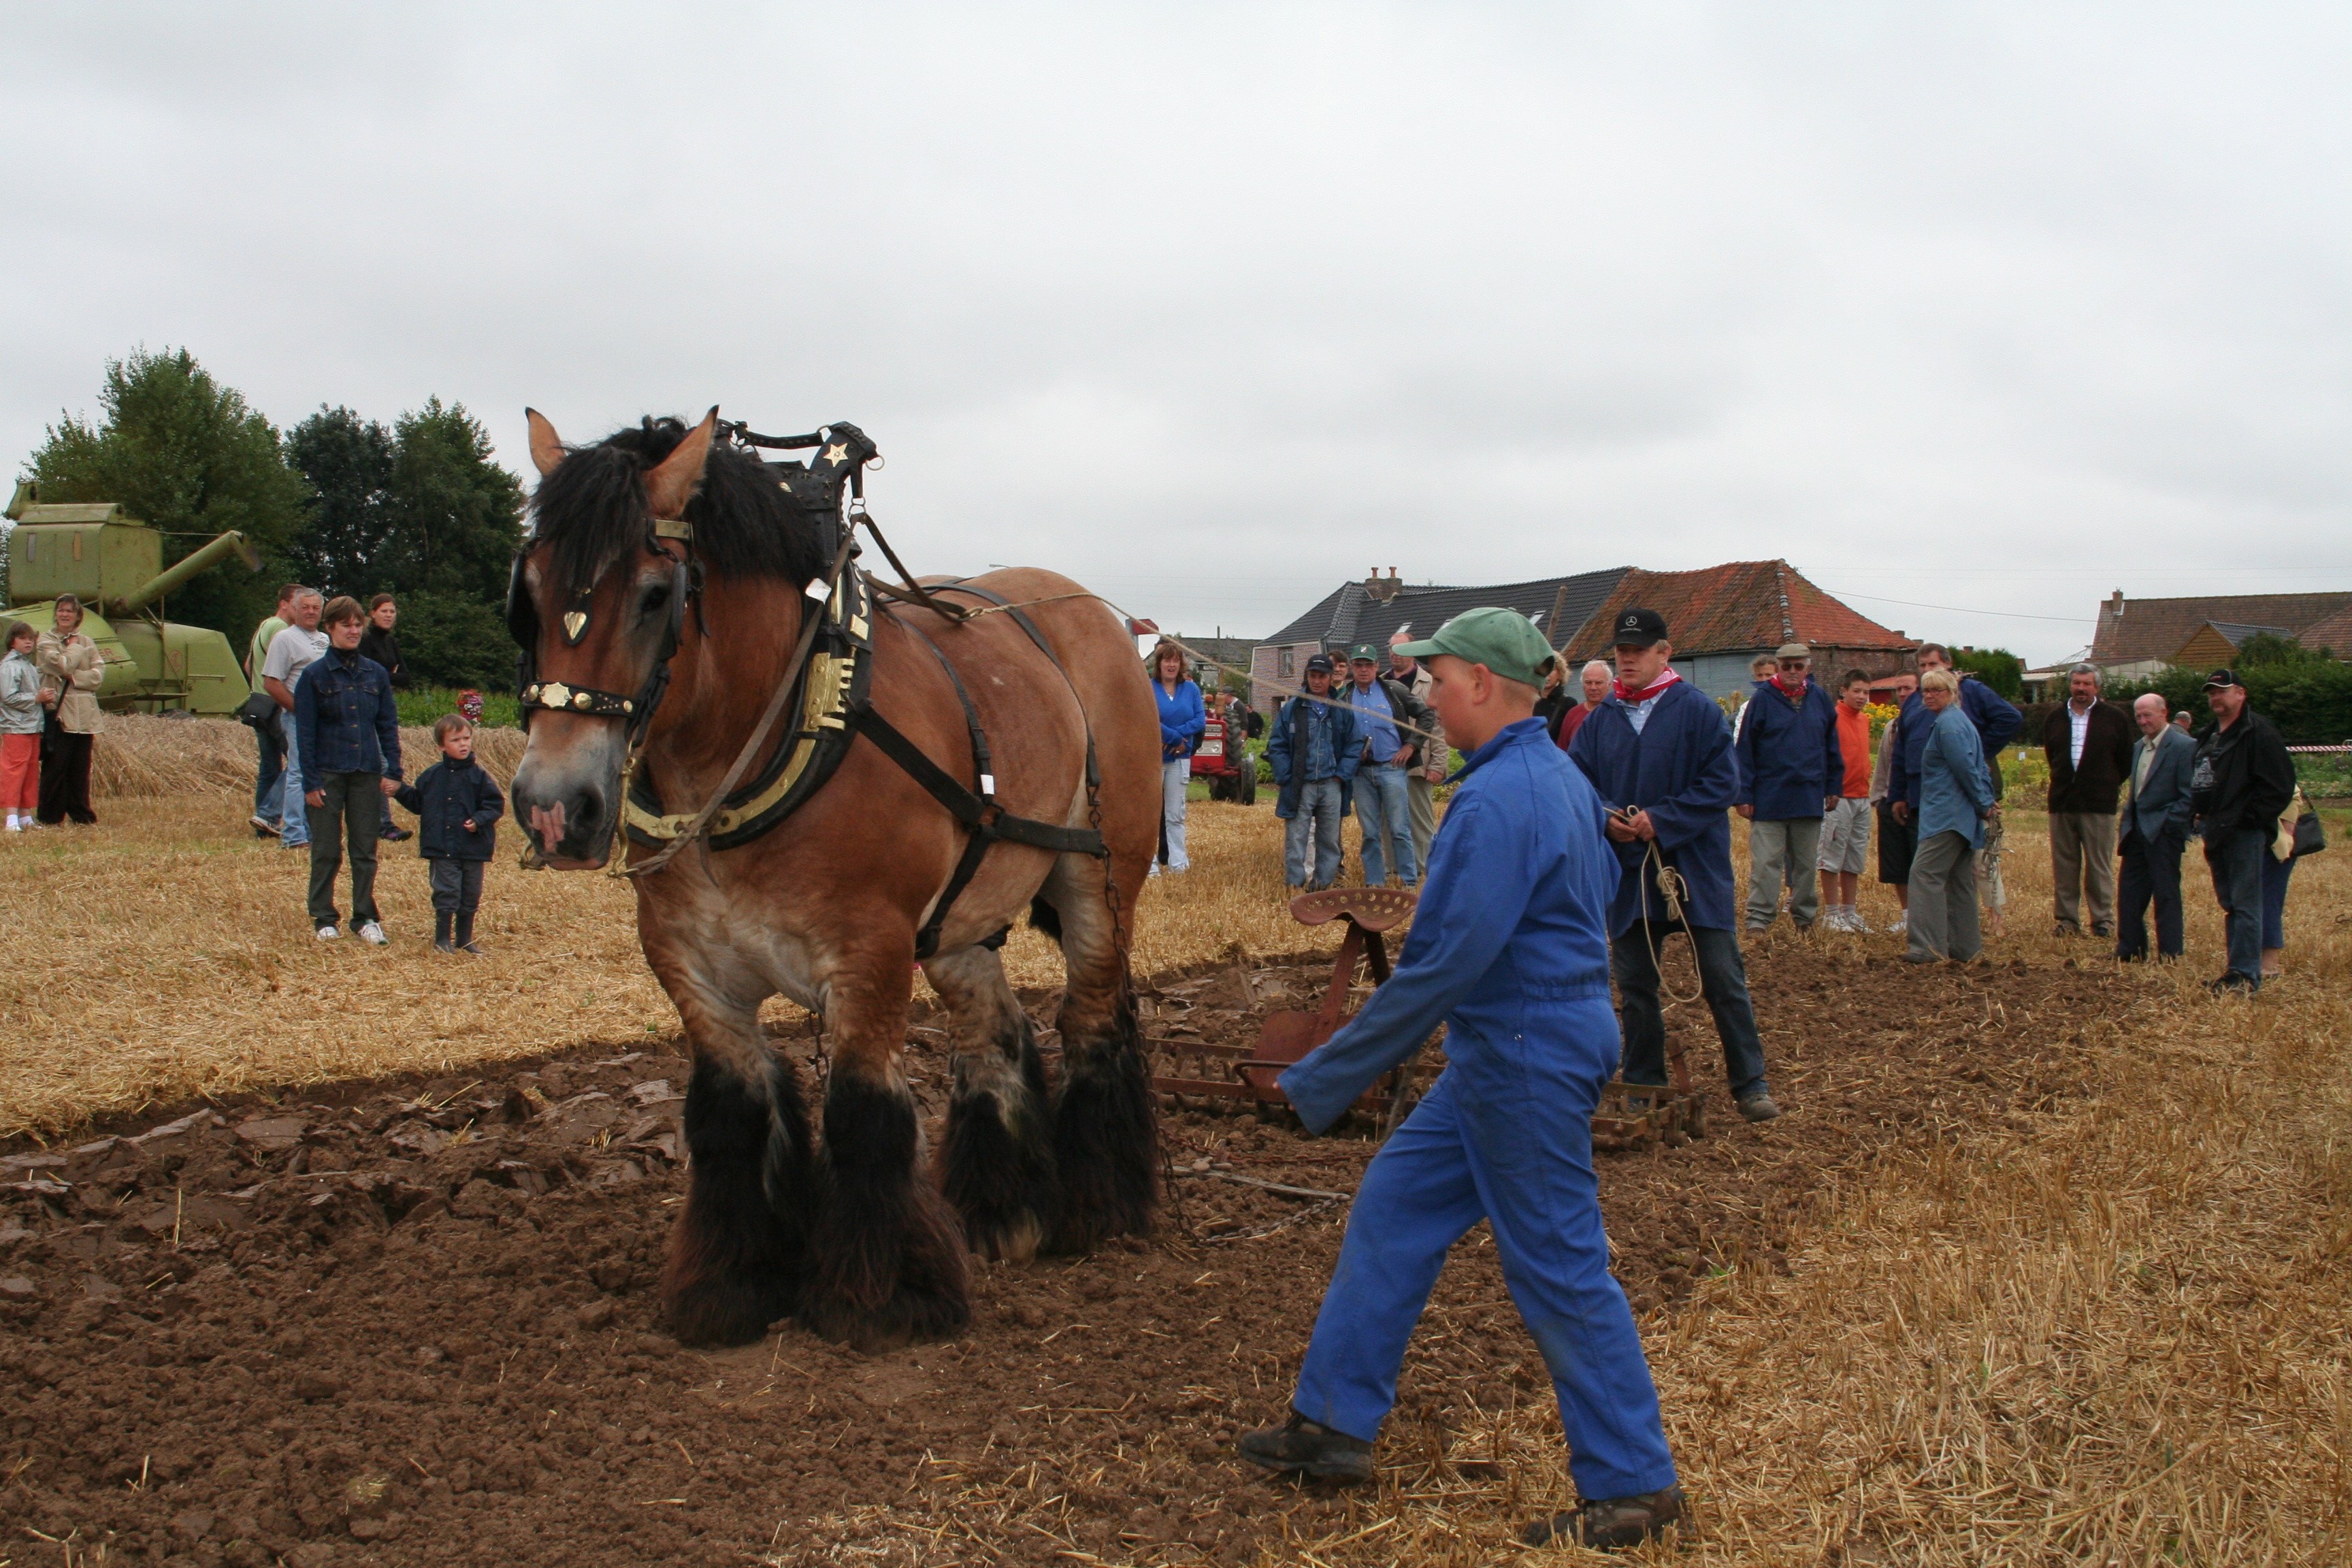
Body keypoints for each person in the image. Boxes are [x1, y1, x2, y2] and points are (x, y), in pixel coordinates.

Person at [1239, 607, 1684, 1552]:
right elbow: (1600, 896)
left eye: (1437, 681)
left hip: (1521, 1052)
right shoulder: (1556, 776)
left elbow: (1444, 965)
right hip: (1519, 1041)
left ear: (1482, 682)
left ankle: (1635, 1482)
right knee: (1394, 1209)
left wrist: (1325, 1076)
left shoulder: (1498, 799)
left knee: (1559, 1266)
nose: (1429, 699)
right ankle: (1332, 1427)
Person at [1568, 608, 1780, 1124]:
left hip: (1694, 867)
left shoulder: (1699, 711)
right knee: (1637, 984)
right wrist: (1604, 818)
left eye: (1638, 651)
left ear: (1664, 652)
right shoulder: (1600, 722)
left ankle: (1750, 1085)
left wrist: (1662, 819)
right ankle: (1644, 1083)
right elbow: (1576, 785)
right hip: (1629, 872)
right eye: (1622, 651)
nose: (1628, 659)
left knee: (1723, 979)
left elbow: (1722, 783)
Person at [294, 595, 403, 943]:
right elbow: (305, 734)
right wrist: (310, 782)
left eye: (358, 625)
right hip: (327, 773)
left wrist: (394, 769)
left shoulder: (376, 674)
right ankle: (324, 917)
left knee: (365, 850)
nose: (354, 630)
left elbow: (388, 725)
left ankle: (365, 917)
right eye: (347, 625)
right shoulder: (313, 677)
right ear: (330, 629)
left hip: (366, 772)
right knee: (326, 849)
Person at [2190, 668, 2295, 993]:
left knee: (2247, 903)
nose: (2216, 697)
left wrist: (2248, 819)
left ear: (2241, 694)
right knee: (2231, 902)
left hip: (2243, 831)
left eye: (2223, 690)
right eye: (2211, 692)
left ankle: (2247, 975)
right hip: (2216, 828)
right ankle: (2236, 969)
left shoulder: (2258, 733)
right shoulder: (2211, 734)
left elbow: (2280, 787)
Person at [1886, 644, 2022, 880]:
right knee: (1929, 864)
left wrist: (1979, 752)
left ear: (1948, 665)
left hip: (1960, 793)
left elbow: (2010, 718)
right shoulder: (1914, 701)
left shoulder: (1970, 692)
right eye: (1923, 666)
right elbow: (1901, 750)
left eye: (1933, 664)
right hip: (1922, 792)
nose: (1928, 670)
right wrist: (1898, 793)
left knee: (1965, 868)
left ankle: (1987, 913)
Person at [1734, 642, 1842, 933]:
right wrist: (1744, 794)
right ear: (1778, 669)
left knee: (1807, 866)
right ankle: (1759, 920)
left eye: (1798, 666)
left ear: (1807, 668)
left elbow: (1832, 746)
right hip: (1769, 797)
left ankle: (1805, 919)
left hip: (1808, 795)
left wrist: (1833, 785)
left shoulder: (1819, 700)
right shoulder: (1762, 700)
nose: (1792, 672)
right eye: (1786, 667)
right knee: (1766, 863)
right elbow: (1745, 750)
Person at [393, 714, 505, 953]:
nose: (463, 744)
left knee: (470, 894)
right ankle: (442, 939)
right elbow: (417, 804)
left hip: (473, 848)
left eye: (467, 738)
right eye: (456, 740)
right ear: (441, 746)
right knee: (447, 892)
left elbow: (495, 806)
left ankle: (464, 940)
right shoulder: (432, 776)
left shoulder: (481, 778)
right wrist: (400, 790)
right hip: (441, 847)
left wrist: (478, 821)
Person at [2040, 663, 2134, 938]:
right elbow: (2052, 756)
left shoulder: (2115, 719)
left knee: (2098, 865)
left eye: (2087, 684)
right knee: (2065, 865)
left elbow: (2125, 761)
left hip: (2099, 804)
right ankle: (2067, 920)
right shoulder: (2055, 718)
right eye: (2077, 683)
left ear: (2097, 687)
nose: (2081, 688)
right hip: (2062, 803)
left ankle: (2102, 920)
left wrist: (2104, 784)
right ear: (2070, 685)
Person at [1905, 670, 1991, 964]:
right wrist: (1984, 803)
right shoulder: (1958, 722)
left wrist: (1984, 802)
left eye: (1937, 690)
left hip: (1947, 815)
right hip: (1962, 816)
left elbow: (1966, 769)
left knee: (1924, 875)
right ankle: (1966, 949)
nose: (1929, 696)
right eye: (1925, 691)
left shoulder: (1949, 726)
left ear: (1952, 691)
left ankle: (1927, 948)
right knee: (1959, 881)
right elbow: (1979, 768)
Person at [1267, 655, 1361, 892]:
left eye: (1322, 676)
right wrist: (1286, 776)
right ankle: (1295, 887)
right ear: (1306, 677)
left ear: (1331, 679)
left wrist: (1342, 775)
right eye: (1313, 676)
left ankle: (1322, 886)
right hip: (1301, 784)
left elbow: (1355, 744)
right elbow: (1276, 746)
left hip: (1332, 783)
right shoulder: (1292, 709)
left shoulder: (1342, 711)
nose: (1317, 681)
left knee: (1329, 840)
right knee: (1296, 839)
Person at [1344, 642, 1434, 888]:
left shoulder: (1393, 690)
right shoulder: (1344, 696)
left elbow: (1427, 715)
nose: (1363, 670)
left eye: (1368, 665)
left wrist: (1412, 745)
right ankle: (1375, 882)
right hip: (1361, 773)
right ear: (1352, 667)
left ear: (1377, 666)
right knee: (1371, 832)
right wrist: (1351, 754)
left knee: (1400, 828)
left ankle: (1409, 880)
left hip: (1391, 767)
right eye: (1358, 665)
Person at [2115, 691, 2195, 963]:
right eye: (2138, 716)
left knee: (2166, 894)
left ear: (2164, 713)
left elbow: (2189, 795)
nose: (2143, 721)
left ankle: (2170, 953)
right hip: (2137, 832)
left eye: (2148, 714)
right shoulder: (2139, 746)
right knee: (2129, 895)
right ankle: (2131, 951)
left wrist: (2169, 823)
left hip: (2164, 834)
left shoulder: (2184, 747)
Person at [261, 589, 329, 853]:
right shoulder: (285, 639)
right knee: (298, 773)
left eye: (316, 607)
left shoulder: (324, 639)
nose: (311, 612)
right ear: (295, 610)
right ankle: (293, 834)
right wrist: (299, 710)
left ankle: (312, 831)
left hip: (326, 720)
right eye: (306, 607)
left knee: (319, 775)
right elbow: (271, 682)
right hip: (299, 719)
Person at [35, 595, 107, 827]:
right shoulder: (46, 640)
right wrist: (74, 649)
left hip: (85, 715)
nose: (65, 615)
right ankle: (50, 817)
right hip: (60, 713)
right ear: (55, 614)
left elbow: (98, 676)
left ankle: (82, 815)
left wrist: (75, 677)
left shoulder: (87, 641)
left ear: (78, 616)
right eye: (61, 610)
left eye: (70, 611)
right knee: (55, 767)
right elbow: (60, 665)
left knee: (80, 769)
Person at [1385, 628, 1446, 874]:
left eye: (1400, 649)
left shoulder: (1429, 682)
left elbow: (1439, 726)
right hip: (1388, 763)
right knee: (1389, 819)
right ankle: (1392, 868)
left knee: (1421, 820)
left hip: (1420, 761)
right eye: (1391, 648)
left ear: (1412, 652)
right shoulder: (1381, 682)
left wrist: (1438, 764)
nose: (1394, 654)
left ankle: (1426, 868)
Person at [1819, 669, 1874, 930]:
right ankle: (1831, 912)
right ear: (1844, 690)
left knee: (1854, 857)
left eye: (1866, 692)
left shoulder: (1864, 721)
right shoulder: (1833, 717)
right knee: (1832, 855)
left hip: (1862, 797)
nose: (1862, 697)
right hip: (1838, 797)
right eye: (1857, 691)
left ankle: (1849, 911)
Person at [358, 594, 414, 843]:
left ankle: (381, 822)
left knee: (381, 764)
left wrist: (384, 676)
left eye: (392, 611)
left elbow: (406, 677)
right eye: (384, 611)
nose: (389, 615)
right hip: (365, 709)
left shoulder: (391, 643)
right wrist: (388, 675)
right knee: (378, 765)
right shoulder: (365, 641)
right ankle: (383, 824)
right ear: (372, 614)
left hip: (383, 707)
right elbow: (364, 672)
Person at [1147, 641, 1205, 875]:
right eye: (1166, 660)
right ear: (1158, 664)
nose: (1171, 665)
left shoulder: (1191, 690)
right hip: (1153, 758)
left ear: (1181, 664)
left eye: (1175, 661)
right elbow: (1148, 719)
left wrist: (1179, 741)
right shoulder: (1148, 688)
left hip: (1181, 758)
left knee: (1176, 814)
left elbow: (1200, 720)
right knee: (1151, 814)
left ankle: (1178, 864)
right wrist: (1174, 737)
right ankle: (1150, 866)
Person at [246, 583, 299, 838]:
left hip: (259, 704)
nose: (302, 609)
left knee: (269, 767)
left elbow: (249, 665)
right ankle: (269, 814)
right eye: (297, 603)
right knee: (300, 761)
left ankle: (263, 823)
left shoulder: (264, 626)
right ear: (284, 603)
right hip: (278, 706)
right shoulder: (282, 629)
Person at [1869, 672, 1918, 933]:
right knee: (1897, 866)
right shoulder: (1892, 727)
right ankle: (1908, 915)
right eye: (1899, 689)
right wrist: (1878, 798)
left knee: (1920, 864)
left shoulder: (1927, 724)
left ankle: (1927, 916)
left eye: (1908, 688)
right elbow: (1883, 766)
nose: (1902, 693)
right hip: (1891, 801)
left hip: (1918, 804)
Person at [0, 623, 44, 831]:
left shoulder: (28, 665)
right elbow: (8, 696)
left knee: (30, 770)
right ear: (12, 641)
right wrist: (37, 697)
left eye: (31, 639)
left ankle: (25, 815)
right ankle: (11, 817)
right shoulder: (10, 666)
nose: (29, 642)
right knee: (14, 771)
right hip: (15, 727)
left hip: (32, 726)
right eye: (23, 638)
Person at [1552, 658, 1612, 750]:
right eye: (1588, 683)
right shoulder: (1573, 715)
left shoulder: (1617, 713)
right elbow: (1562, 750)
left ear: (1609, 684)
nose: (1593, 687)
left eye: (1599, 683)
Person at [1729, 653, 1779, 741]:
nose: (1764, 679)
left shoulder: (1789, 702)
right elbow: (1739, 739)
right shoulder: (1747, 707)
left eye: (1768, 675)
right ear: (1754, 677)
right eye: (1760, 675)